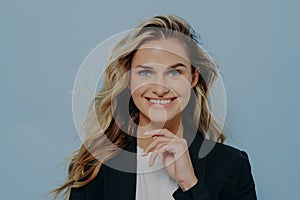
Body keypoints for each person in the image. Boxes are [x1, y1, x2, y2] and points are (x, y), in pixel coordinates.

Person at [51, 14, 257, 199]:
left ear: (193, 78)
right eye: (145, 73)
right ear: (128, 78)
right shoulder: (96, 164)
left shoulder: (232, 166)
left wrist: (190, 184)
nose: (160, 89)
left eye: (175, 73)